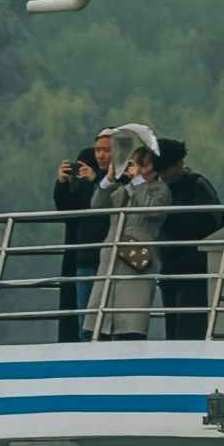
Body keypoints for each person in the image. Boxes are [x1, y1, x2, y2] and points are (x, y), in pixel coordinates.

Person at [151, 137, 224, 340]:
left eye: (166, 169)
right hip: (169, 269)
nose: (162, 175)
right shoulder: (161, 189)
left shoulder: (197, 185)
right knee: (173, 330)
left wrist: (170, 217)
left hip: (194, 271)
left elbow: (210, 224)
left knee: (189, 331)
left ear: (180, 163)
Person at [89, 134, 162, 340]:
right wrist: (109, 178)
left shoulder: (160, 191)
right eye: (134, 164)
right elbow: (97, 205)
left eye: (143, 165)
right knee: (100, 321)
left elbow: (152, 210)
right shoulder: (123, 191)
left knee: (130, 323)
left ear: (155, 169)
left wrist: (139, 182)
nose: (137, 169)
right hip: (112, 260)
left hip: (137, 261)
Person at [51, 135, 114, 342]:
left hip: (99, 250)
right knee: (78, 313)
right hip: (78, 251)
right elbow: (66, 211)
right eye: (98, 150)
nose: (101, 155)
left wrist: (95, 180)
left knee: (99, 314)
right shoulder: (80, 184)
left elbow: (100, 205)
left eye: (105, 150)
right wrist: (62, 183)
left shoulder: (113, 180)